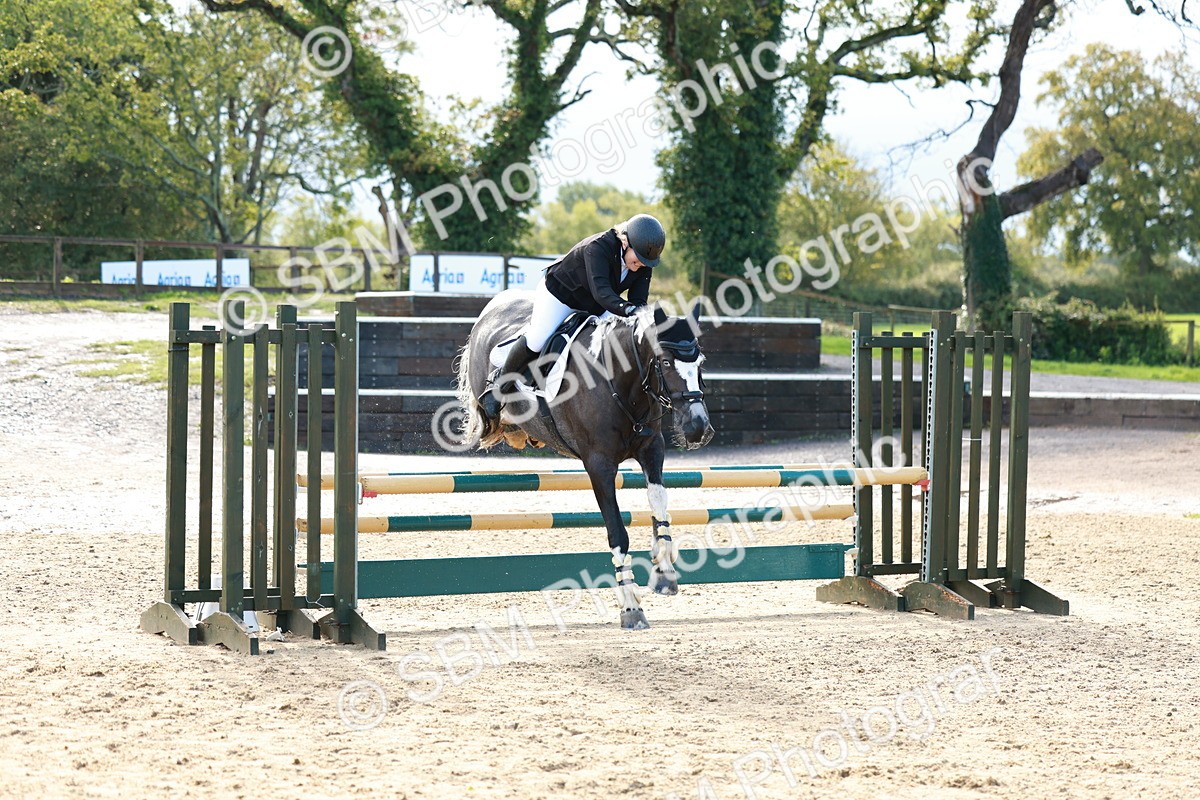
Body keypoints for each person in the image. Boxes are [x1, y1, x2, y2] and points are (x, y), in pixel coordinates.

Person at [480, 213, 667, 422]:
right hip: (560, 295)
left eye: (645, 262)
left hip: (595, 304)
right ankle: (499, 384)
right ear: (625, 242)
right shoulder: (598, 247)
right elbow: (603, 293)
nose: (641, 264)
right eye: (638, 259)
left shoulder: (643, 265)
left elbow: (639, 300)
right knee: (538, 338)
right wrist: (630, 310)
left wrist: (641, 316)